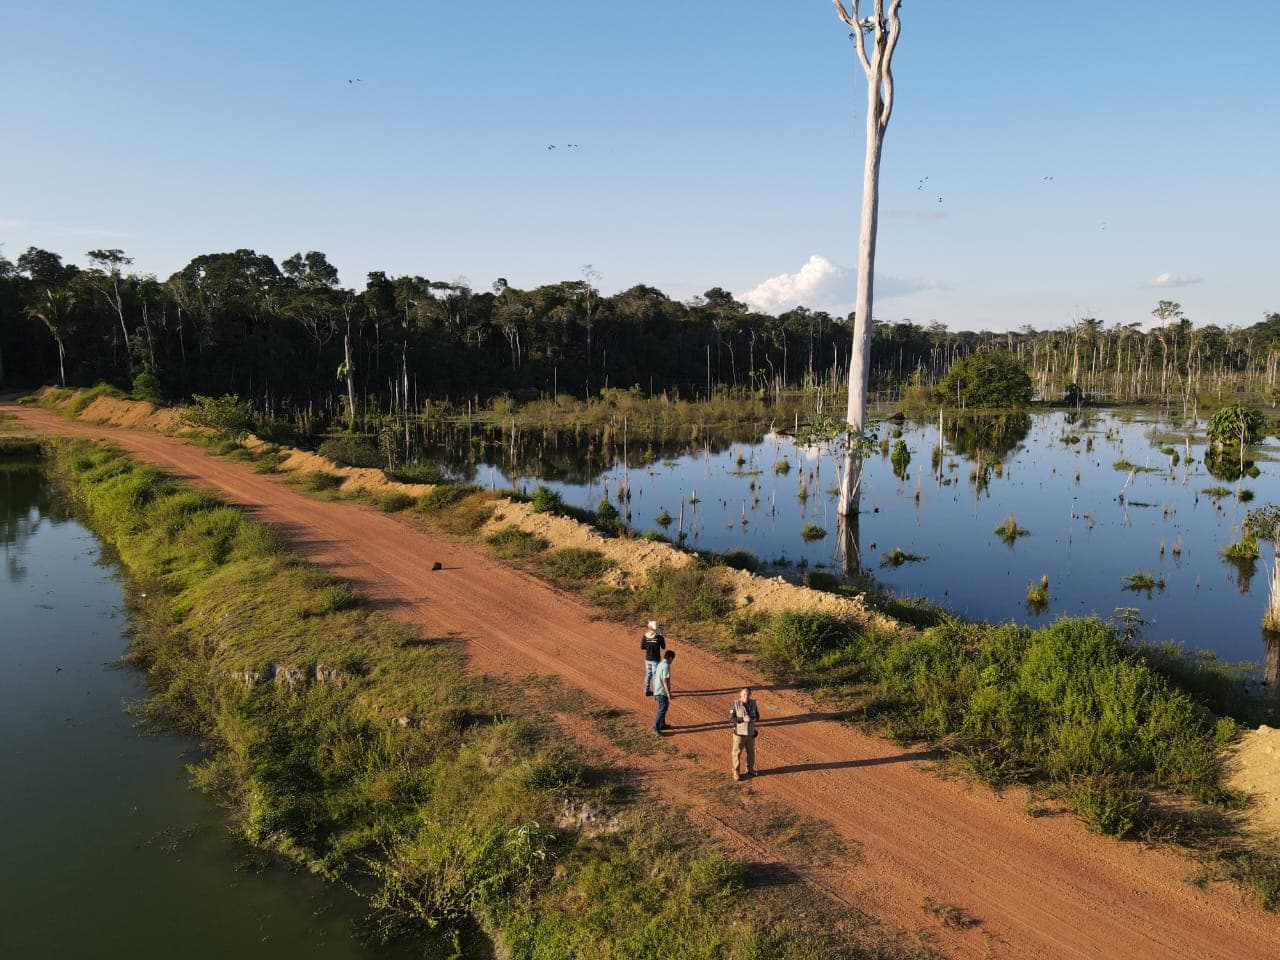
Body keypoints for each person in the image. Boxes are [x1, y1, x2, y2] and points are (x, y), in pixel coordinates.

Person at [729, 687, 760, 780]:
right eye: (744, 694)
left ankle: (750, 769)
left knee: (751, 752)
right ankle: (736, 772)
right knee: (736, 753)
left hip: (750, 733)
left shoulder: (754, 703)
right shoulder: (736, 704)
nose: (746, 696)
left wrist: (754, 719)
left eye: (748, 694)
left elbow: (757, 715)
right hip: (739, 734)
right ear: (740, 695)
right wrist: (742, 719)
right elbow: (731, 718)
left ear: (750, 695)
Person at [652, 649, 675, 734]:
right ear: (670, 658)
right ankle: (656, 727)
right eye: (672, 659)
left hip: (657, 690)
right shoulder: (666, 666)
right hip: (661, 691)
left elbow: (656, 677)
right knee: (663, 708)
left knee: (663, 707)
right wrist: (668, 693)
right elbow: (665, 680)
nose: (672, 661)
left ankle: (662, 724)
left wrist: (654, 691)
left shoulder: (660, 664)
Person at [641, 620, 665, 696]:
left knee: (648, 674)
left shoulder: (645, 636)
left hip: (647, 659)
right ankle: (656, 692)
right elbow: (663, 647)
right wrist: (661, 636)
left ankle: (646, 690)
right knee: (655, 676)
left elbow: (642, 647)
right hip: (656, 659)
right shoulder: (659, 638)